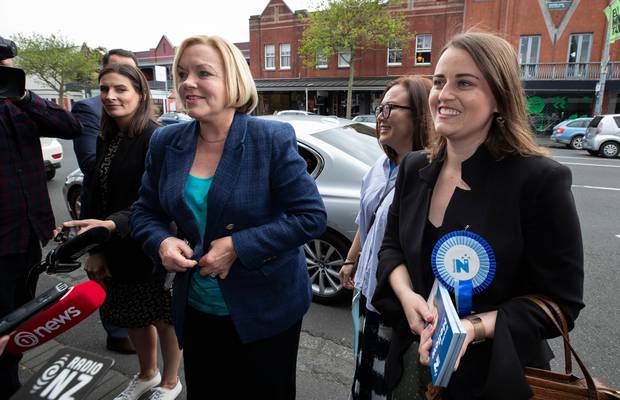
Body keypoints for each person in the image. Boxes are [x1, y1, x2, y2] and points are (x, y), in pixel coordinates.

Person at [372, 32, 584, 400]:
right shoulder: (413, 167)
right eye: (439, 82)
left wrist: (472, 328)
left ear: (500, 99)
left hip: (495, 377)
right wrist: (408, 298)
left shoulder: (539, 181)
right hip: (410, 365)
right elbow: (391, 248)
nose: (444, 94)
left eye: (464, 83)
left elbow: (561, 306)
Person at [130, 35, 327, 399]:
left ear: (232, 80)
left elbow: (310, 216)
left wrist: (238, 245)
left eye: (203, 73)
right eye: (183, 73)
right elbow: (144, 211)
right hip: (197, 309)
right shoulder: (165, 142)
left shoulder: (270, 138)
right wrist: (161, 241)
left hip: (266, 310)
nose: (188, 82)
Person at [63, 64, 182, 400]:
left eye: (120, 89)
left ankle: (171, 383)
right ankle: (147, 374)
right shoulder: (107, 137)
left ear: (141, 93)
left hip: (150, 244)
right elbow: (94, 194)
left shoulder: (156, 137)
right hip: (113, 245)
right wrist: (95, 248)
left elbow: (157, 200)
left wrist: (110, 227)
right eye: (104, 90)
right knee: (130, 314)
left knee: (162, 318)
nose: (111, 96)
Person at [339, 76, 433, 400]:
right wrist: (351, 260)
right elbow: (366, 222)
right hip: (367, 291)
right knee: (363, 373)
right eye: (380, 107)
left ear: (420, 114)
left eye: (391, 107)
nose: (381, 114)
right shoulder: (379, 167)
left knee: (388, 383)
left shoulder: (430, 175)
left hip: (396, 302)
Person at [0, 50, 82, 398]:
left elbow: (70, 126)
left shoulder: (18, 104)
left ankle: (9, 381)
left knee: (22, 320)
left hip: (29, 236)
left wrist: (23, 94)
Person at [71, 48, 138, 355]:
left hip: (137, 225)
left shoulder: (151, 131)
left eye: (126, 80)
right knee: (108, 282)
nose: (113, 93)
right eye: (106, 86)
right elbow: (90, 165)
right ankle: (116, 332)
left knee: (144, 307)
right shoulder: (91, 115)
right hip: (108, 214)